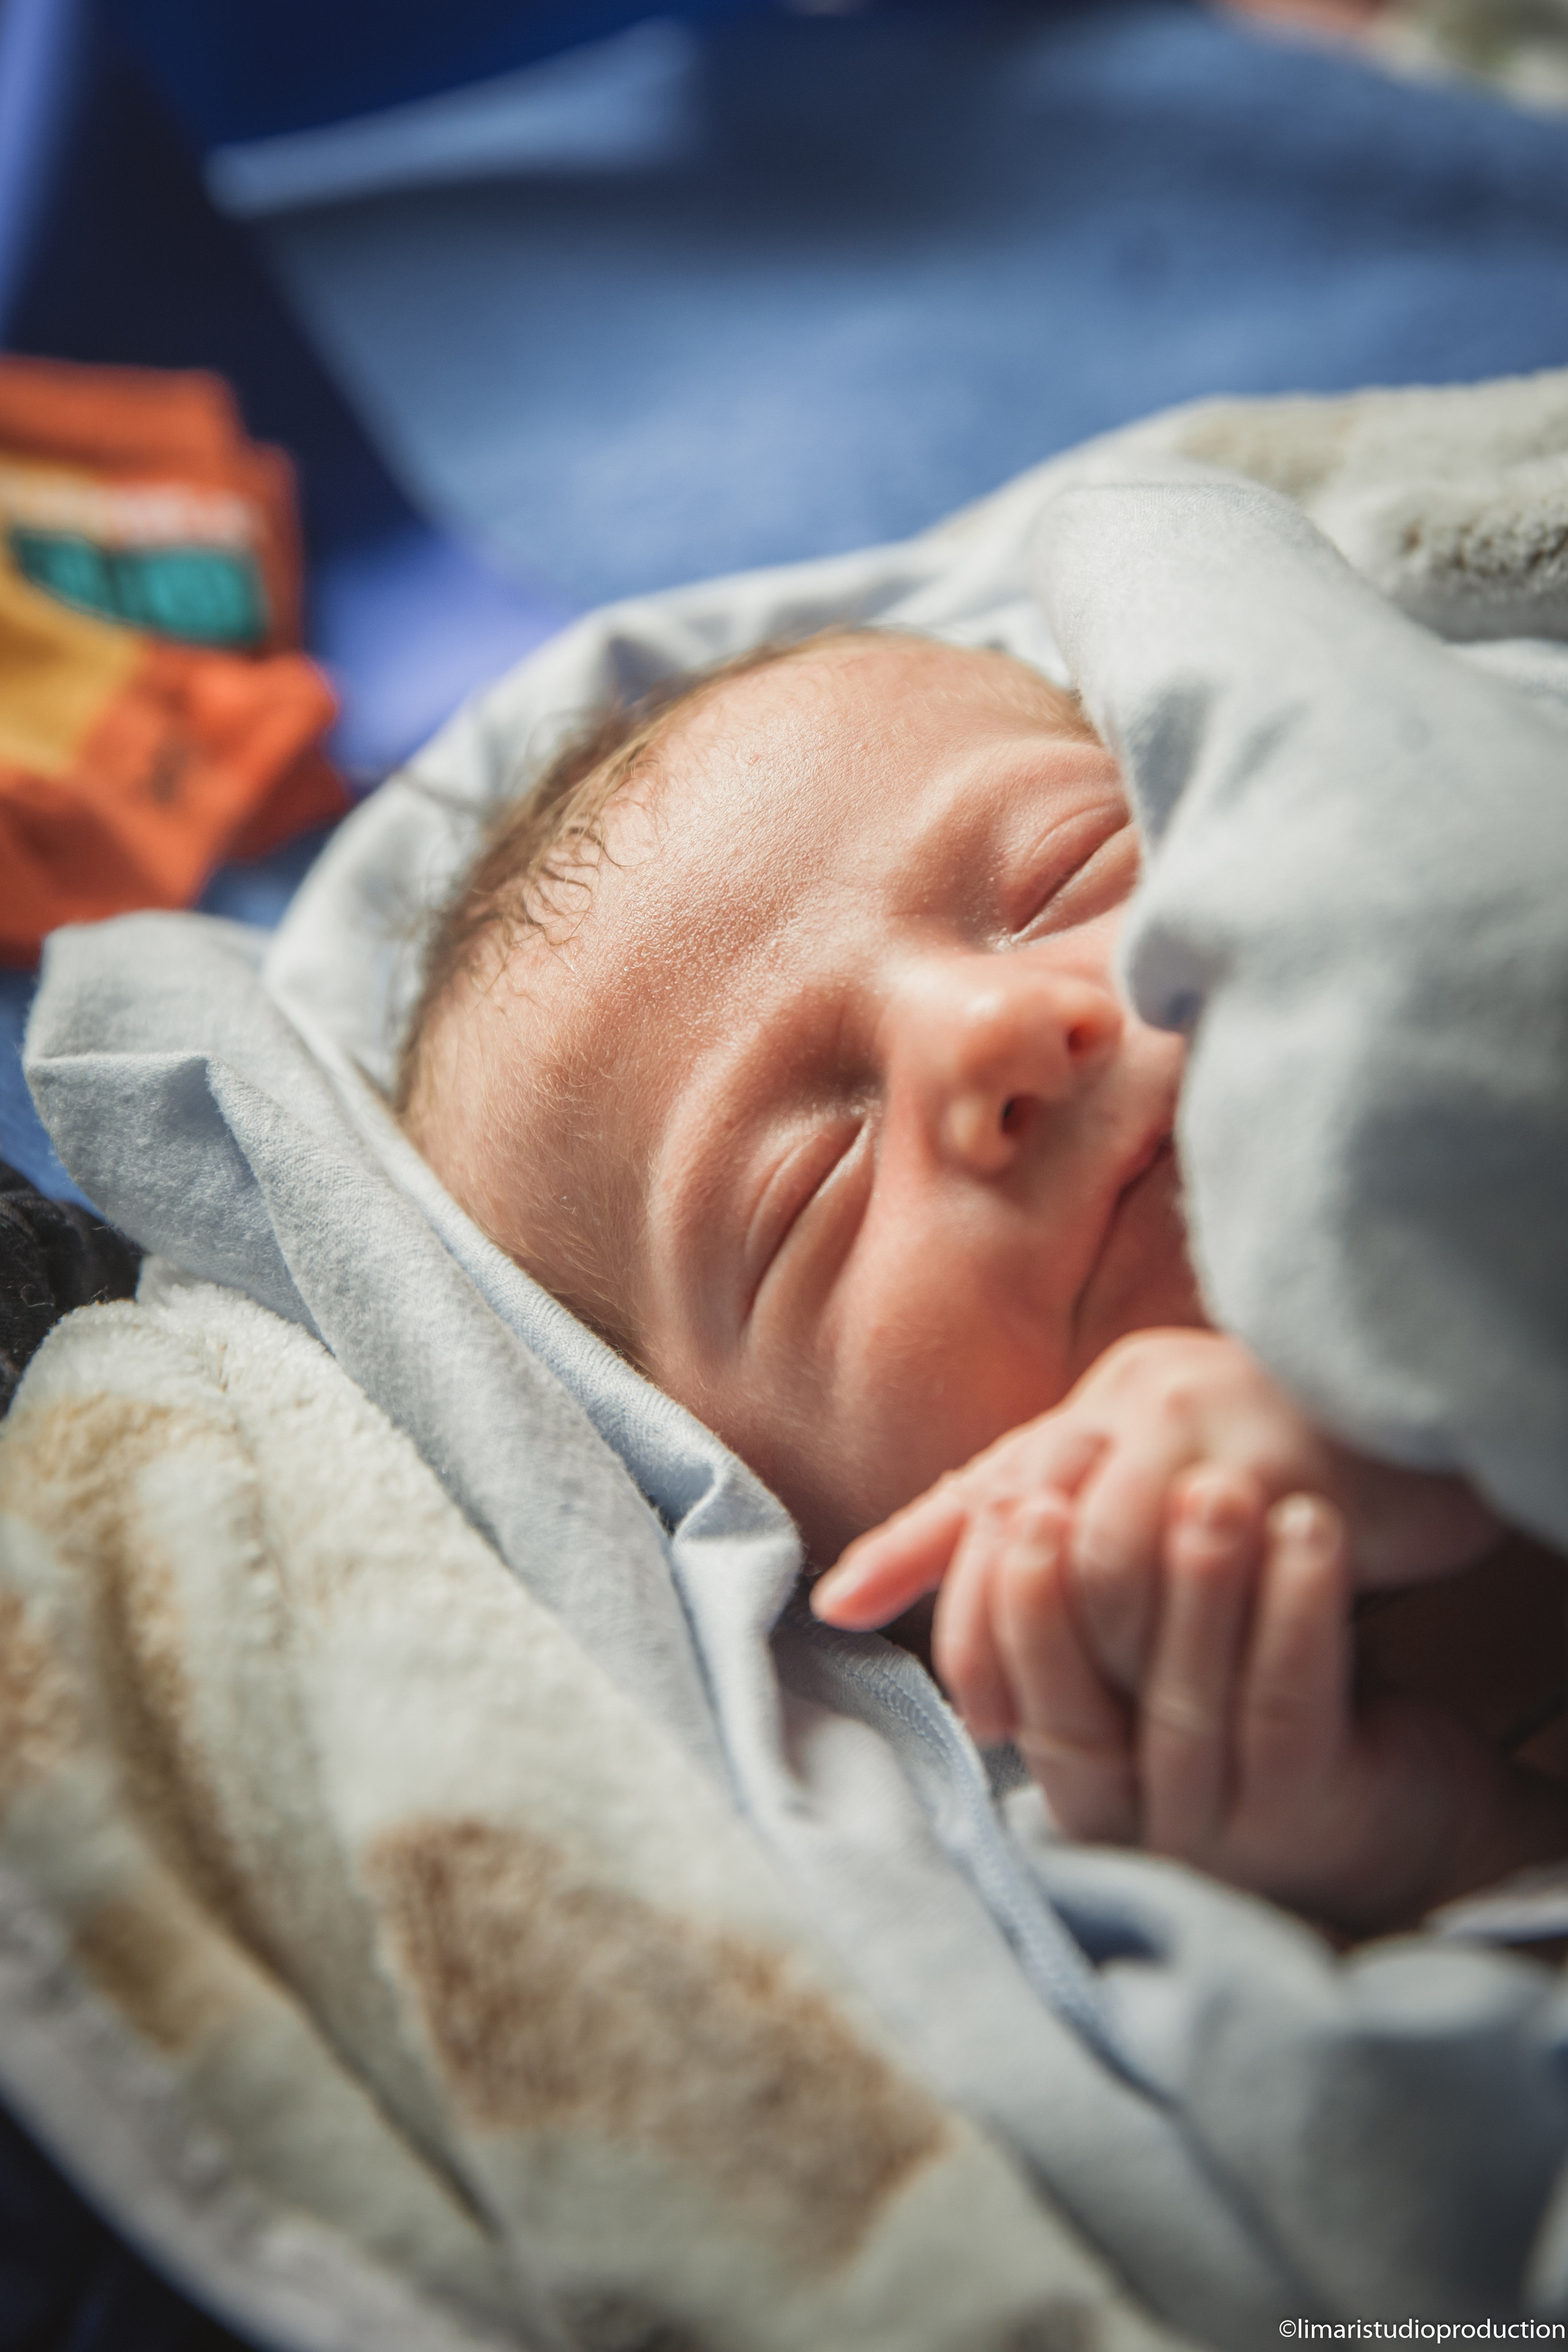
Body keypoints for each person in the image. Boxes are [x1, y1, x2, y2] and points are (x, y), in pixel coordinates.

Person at [396, 622, 1568, 1940]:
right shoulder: (1184, 1870)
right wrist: (1448, 1855)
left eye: (1066, 874)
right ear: (787, 1532)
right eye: (811, 1189)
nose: (984, 1027)